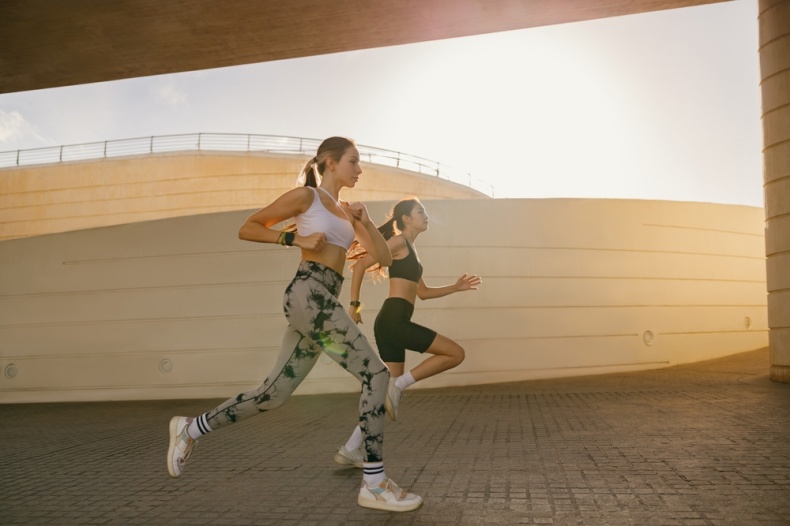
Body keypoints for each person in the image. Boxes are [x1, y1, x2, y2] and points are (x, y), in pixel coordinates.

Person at [166, 137, 422, 512]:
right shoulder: (307, 198)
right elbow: (249, 227)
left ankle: (190, 429)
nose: (360, 169)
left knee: (273, 395)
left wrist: (364, 222)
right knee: (376, 374)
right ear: (330, 163)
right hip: (307, 293)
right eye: (354, 161)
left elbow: (382, 257)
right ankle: (375, 483)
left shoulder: (348, 212)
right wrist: (292, 237)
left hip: (322, 302)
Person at [334, 197, 481, 467]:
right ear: (405, 219)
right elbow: (360, 264)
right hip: (394, 319)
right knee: (455, 353)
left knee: (382, 397)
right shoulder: (400, 242)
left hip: (393, 320)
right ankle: (399, 385)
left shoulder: (411, 250)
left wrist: (455, 287)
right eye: (420, 211)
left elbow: (422, 293)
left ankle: (350, 448)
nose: (426, 216)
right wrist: (354, 304)